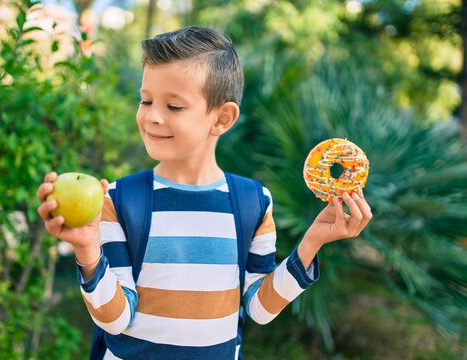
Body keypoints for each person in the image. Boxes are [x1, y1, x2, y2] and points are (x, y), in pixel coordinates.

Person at [36, 26, 372, 359]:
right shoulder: (119, 199)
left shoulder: (253, 202)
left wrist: (313, 241)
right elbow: (116, 319)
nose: (152, 116)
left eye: (174, 107)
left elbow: (259, 308)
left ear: (222, 118)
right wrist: (88, 252)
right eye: (146, 100)